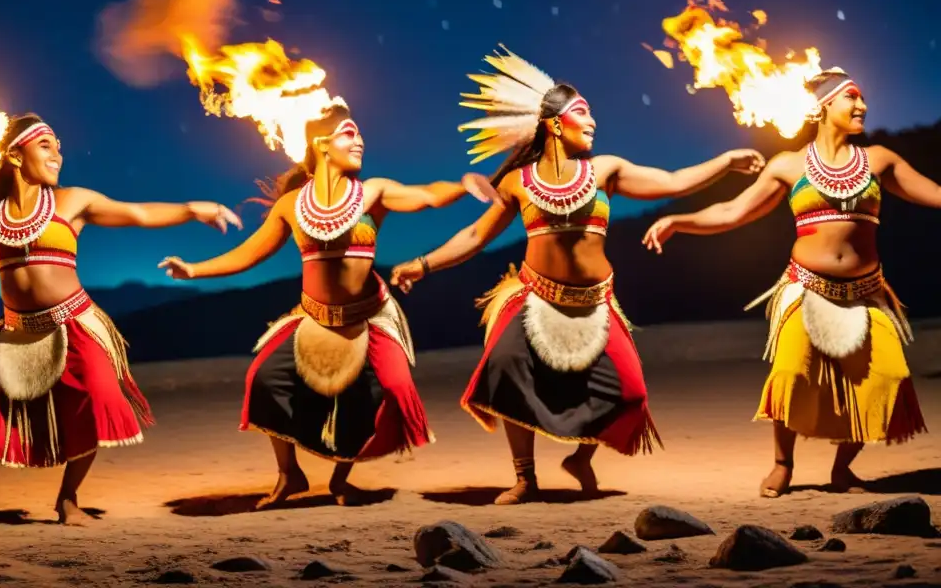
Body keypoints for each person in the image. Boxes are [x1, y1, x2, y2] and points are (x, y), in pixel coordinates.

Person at [389, 46, 765, 504]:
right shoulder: (518, 182)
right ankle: (525, 477)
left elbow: (673, 181)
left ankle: (581, 457)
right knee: (507, 368)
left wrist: (724, 161)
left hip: (596, 303)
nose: (592, 123)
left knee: (629, 390)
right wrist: (423, 263)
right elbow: (473, 236)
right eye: (582, 113)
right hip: (533, 297)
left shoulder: (605, 170)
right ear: (552, 124)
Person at [159, 98, 493, 509]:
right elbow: (248, 254)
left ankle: (340, 478)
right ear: (320, 145)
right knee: (263, 380)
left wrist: (461, 187)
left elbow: (425, 195)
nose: (360, 141)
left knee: (392, 387)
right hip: (312, 319)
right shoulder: (292, 206)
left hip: (367, 318)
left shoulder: (373, 193)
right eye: (349, 133)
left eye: (359, 133)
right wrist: (195, 270)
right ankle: (289, 476)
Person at [0, 113, 241, 534]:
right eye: (46, 145)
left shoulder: (72, 201)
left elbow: (137, 213)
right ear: (16, 156)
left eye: (59, 145)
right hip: (15, 331)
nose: (58, 155)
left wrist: (192, 209)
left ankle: (68, 498)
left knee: (97, 396)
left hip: (73, 323)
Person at [643, 70, 933, 497]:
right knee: (792, 374)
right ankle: (783, 465)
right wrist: (678, 220)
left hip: (867, 294)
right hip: (806, 288)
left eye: (864, 99)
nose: (862, 107)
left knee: (886, 380)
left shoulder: (879, 160)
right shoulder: (788, 165)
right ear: (822, 107)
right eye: (851, 98)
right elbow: (731, 212)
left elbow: (933, 192)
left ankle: (842, 469)